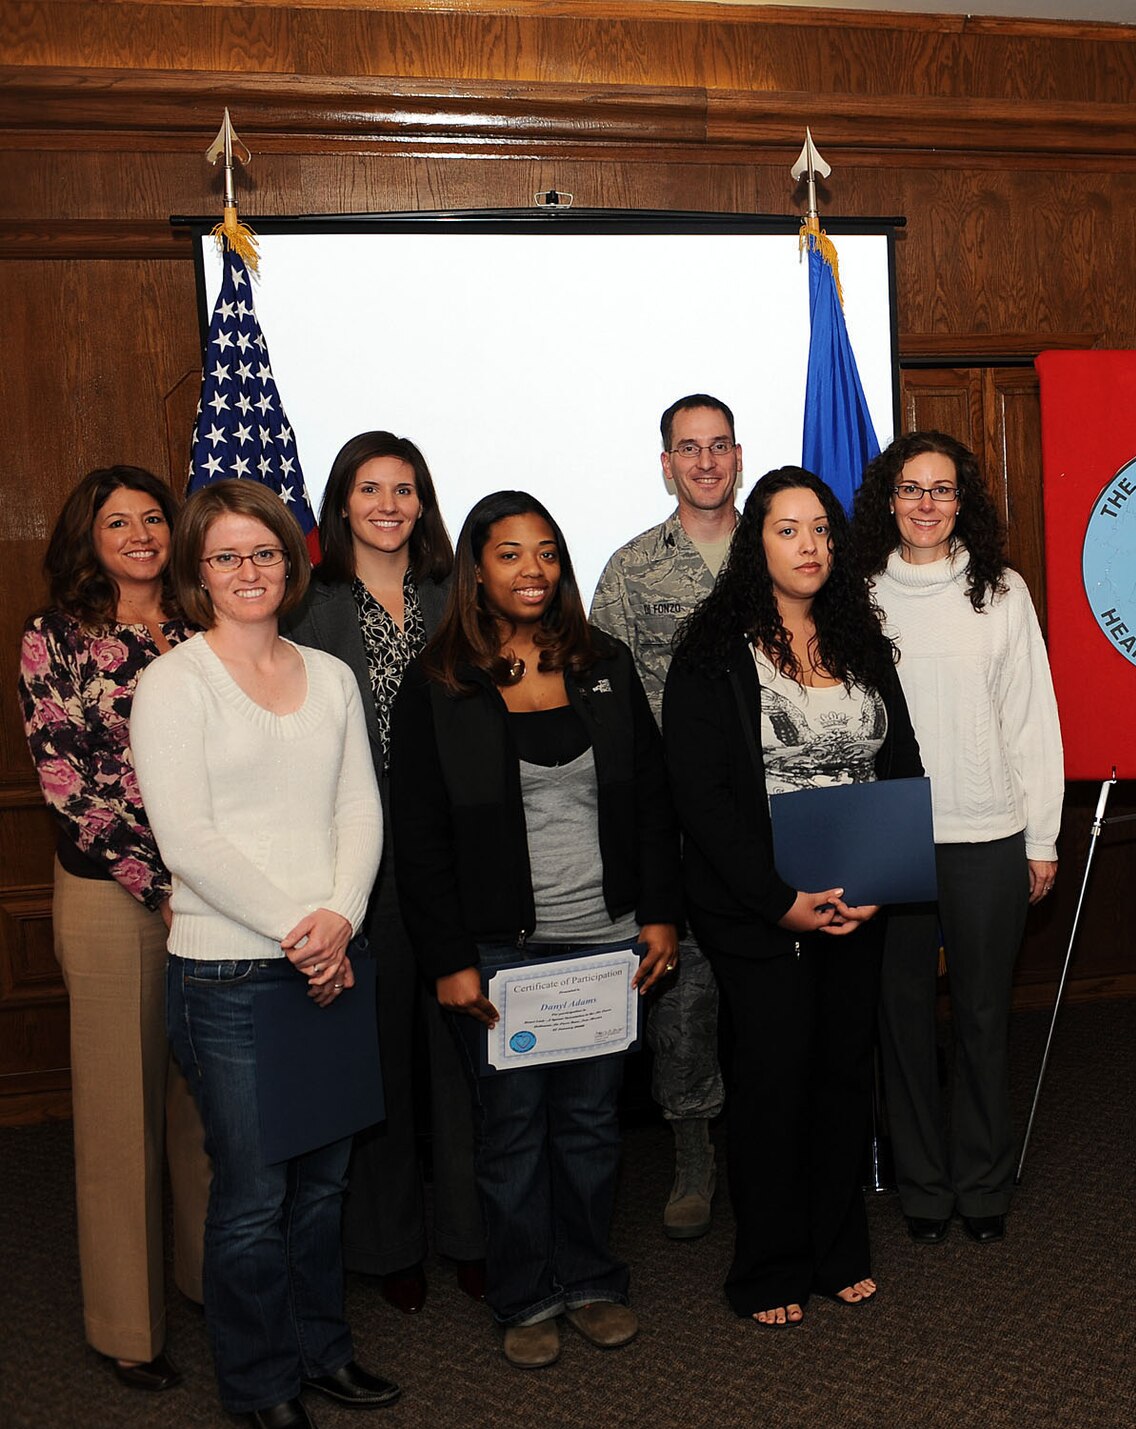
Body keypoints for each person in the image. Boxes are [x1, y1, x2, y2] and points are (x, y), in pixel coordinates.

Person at [128, 478, 398, 1427]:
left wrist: (339, 917)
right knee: (252, 1195)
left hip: (331, 959)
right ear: (199, 573)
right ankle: (258, 1383)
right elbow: (188, 841)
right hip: (233, 976)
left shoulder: (330, 675)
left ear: (291, 562)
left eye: (266, 553)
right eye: (227, 556)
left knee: (324, 1184)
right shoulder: (172, 683)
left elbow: (359, 806)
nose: (250, 571)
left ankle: (322, 1352)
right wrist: (303, 928)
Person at [391, 490, 679, 1370]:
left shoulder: (606, 665)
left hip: (606, 942)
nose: (532, 570)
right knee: (511, 1130)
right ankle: (526, 1295)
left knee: (592, 1125)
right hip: (498, 953)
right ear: (476, 567)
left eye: (547, 552)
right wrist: (448, 960)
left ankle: (591, 1279)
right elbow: (421, 833)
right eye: (510, 553)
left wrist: (659, 915)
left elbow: (652, 803)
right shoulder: (440, 685)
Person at [662, 467, 922, 1326]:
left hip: (859, 901)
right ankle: (770, 1266)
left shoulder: (861, 638)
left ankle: (838, 1245)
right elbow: (701, 800)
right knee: (775, 1081)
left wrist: (881, 881)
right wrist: (779, 900)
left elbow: (900, 765)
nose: (809, 545)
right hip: (760, 911)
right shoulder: (711, 654)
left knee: (846, 1075)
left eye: (820, 530)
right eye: (787, 530)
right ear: (755, 543)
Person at [17, 466, 210, 1393]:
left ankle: (209, 1278)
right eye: (117, 522)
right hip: (112, 896)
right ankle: (128, 1327)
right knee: (119, 1113)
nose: (139, 534)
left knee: (206, 1099)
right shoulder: (53, 637)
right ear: (87, 538)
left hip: (219, 894)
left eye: (152, 518)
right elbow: (73, 790)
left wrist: (214, 883)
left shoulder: (209, 621)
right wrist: (161, 885)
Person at [285, 431, 483, 1313]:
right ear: (343, 501)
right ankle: (390, 1241)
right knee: (381, 1062)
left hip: (453, 855)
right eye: (371, 489)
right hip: (358, 862)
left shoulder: (454, 594)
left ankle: (475, 1233)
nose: (389, 505)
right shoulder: (309, 606)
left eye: (405, 489)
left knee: (464, 1055)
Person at [850, 432, 1063, 1246]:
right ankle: (923, 1187)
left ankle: (983, 1183)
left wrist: (1040, 836)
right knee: (901, 1019)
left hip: (987, 828)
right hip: (890, 832)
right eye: (911, 488)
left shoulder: (1000, 590)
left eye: (942, 489)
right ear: (889, 499)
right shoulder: (858, 592)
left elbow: (1031, 717)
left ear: (963, 500)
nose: (927, 504)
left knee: (981, 1015)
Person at [589, 392, 738, 1240]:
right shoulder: (631, 567)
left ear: (738, 453)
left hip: (781, 809)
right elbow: (604, 695)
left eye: (719, 445)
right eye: (689, 448)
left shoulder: (779, 545)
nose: (706, 462)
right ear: (666, 463)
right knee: (683, 997)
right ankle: (693, 1151)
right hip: (678, 819)